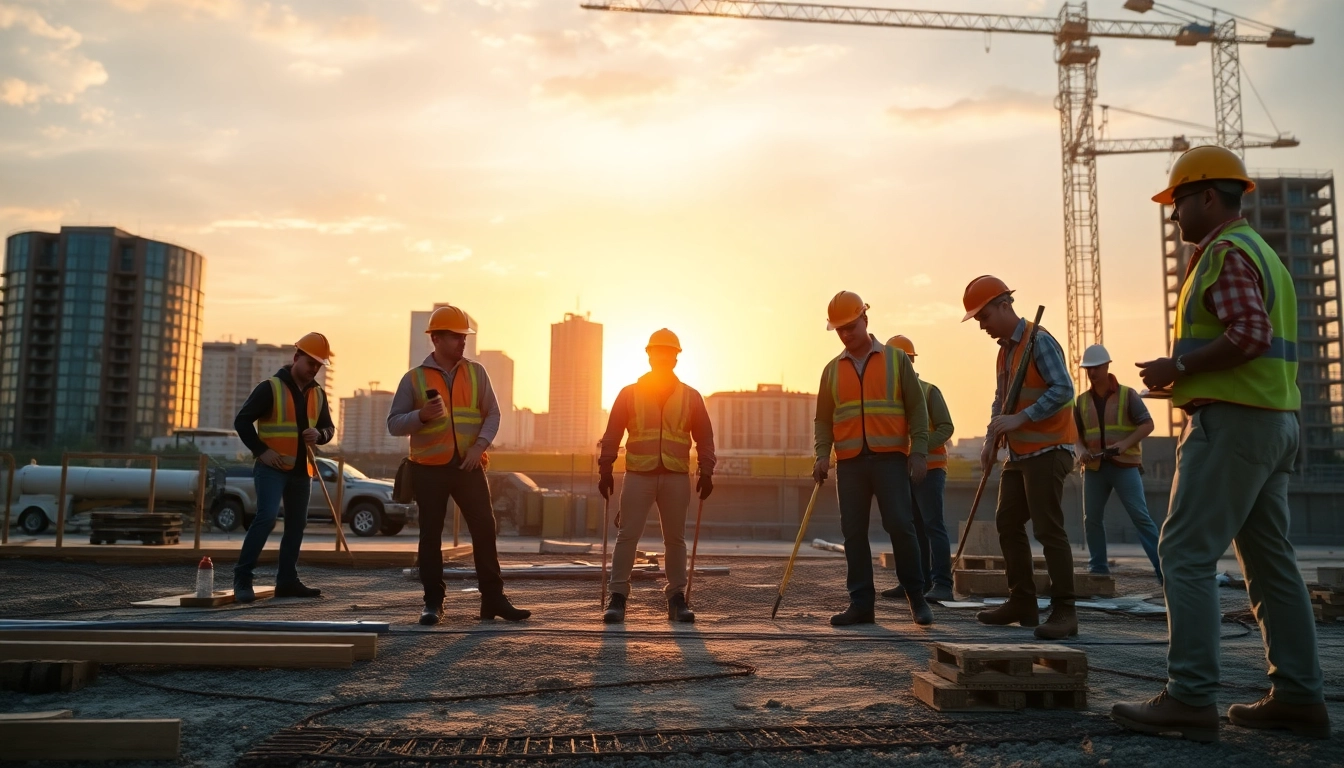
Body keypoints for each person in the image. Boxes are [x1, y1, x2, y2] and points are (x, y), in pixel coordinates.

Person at [1112, 146, 1327, 742]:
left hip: (1233, 425)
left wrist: (1179, 368)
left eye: (1178, 200)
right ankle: (1300, 697)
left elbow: (1250, 333)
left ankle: (1189, 698)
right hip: (1273, 421)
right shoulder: (1266, 255)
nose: (1174, 214)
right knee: (1270, 564)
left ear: (1208, 195)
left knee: (1183, 552)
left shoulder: (1226, 253)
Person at [387, 305, 529, 626]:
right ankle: (433, 603)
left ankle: (492, 599)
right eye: (455, 336)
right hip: (428, 469)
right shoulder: (414, 379)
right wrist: (422, 416)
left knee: (484, 529)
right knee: (430, 536)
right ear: (435, 338)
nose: (462, 342)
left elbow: (492, 413)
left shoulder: (477, 373)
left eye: (464, 336)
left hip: (469, 466)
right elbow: (394, 424)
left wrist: (479, 447)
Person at [962, 275, 1079, 640]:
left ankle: (1065, 611)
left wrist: (1021, 419)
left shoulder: (1038, 341)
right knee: (1007, 522)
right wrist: (990, 439)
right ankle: (1022, 601)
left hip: (1048, 448)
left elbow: (1063, 389)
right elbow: (1001, 401)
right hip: (1018, 451)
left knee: (1047, 529)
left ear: (1004, 305)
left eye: (984, 316)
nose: (981, 325)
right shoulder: (1005, 351)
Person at [813, 291, 932, 626]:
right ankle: (861, 604)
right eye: (839, 330)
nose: (846, 334)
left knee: (900, 526)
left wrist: (919, 451)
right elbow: (823, 419)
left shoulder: (895, 360)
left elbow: (916, 409)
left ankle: (917, 598)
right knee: (853, 532)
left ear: (865, 319)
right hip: (849, 462)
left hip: (890, 459)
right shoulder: (832, 371)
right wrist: (823, 454)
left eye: (850, 326)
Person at [597, 329, 716, 624]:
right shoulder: (629, 393)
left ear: (676, 357)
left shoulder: (691, 397)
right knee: (628, 537)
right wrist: (605, 467)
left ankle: (677, 598)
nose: (662, 357)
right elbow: (612, 435)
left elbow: (705, 437)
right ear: (649, 355)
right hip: (639, 474)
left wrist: (707, 469)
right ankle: (618, 598)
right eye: (658, 352)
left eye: (668, 352)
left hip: (676, 475)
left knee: (675, 540)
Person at [232, 332, 336, 603]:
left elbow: (328, 428)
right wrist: (261, 451)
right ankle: (243, 578)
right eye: (310, 362)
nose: (314, 369)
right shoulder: (270, 388)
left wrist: (320, 435)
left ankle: (287, 581)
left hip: (302, 470)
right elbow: (242, 422)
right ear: (296, 357)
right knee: (266, 517)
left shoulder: (318, 393)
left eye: (318, 365)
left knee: (297, 525)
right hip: (272, 468)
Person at [1072, 343, 1162, 583]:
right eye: (1088, 368)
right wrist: (1080, 451)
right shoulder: (1080, 402)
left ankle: (1163, 569)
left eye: (1096, 367)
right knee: (1091, 519)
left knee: (1140, 518)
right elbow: (1075, 435)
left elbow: (1147, 424)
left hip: (1124, 465)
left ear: (1107, 366)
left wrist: (1124, 444)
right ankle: (1098, 567)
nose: (1092, 373)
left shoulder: (1127, 395)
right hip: (1094, 467)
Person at [880, 335, 955, 603]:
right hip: (902, 472)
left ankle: (943, 584)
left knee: (933, 525)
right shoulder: (891, 399)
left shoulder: (928, 391)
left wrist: (918, 450)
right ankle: (914, 583)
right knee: (910, 527)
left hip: (931, 468)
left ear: (909, 362)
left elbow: (946, 428)